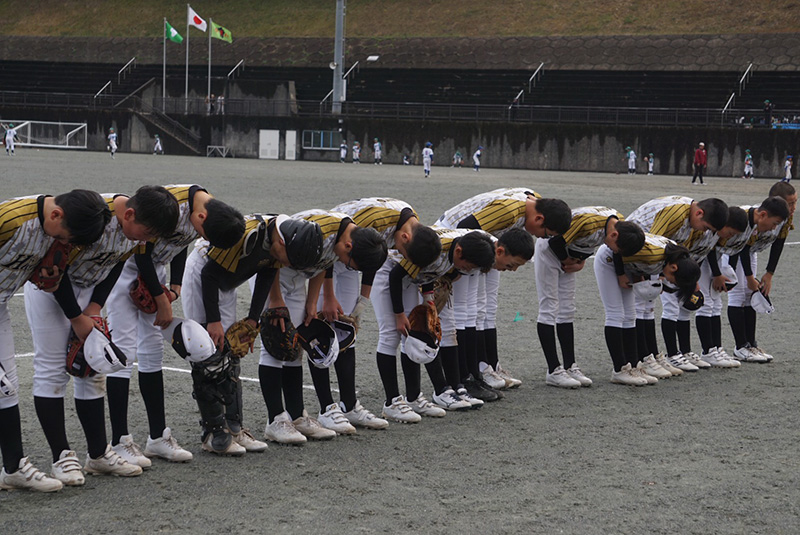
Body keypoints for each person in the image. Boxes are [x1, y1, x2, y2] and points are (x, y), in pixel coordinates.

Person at [26, 186, 178, 485]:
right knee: (52, 370)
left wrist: (94, 307)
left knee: (92, 368)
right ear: (129, 214)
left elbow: (116, 264)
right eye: (147, 233)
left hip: (87, 290)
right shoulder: (93, 216)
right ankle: (61, 457)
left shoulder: (133, 230)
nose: (147, 241)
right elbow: (55, 268)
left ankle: (98, 454)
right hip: (50, 290)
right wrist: (77, 317)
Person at [104, 186, 244, 467]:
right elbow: (141, 251)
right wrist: (160, 298)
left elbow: (180, 246)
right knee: (123, 352)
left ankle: (157, 437)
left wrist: (174, 288)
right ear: (201, 217)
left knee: (153, 353)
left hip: (155, 272)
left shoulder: (208, 212)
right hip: (127, 268)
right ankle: (120, 440)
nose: (203, 238)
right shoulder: (175, 206)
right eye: (205, 234)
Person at [182, 213, 323, 452]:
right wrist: (213, 321)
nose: (288, 265)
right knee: (208, 352)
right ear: (281, 243)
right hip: (204, 275)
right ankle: (214, 434)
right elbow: (209, 275)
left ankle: (234, 428)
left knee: (231, 352)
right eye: (289, 259)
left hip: (227, 281)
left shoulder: (280, 237)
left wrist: (252, 320)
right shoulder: (247, 236)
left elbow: (267, 274)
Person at [0, 190, 110, 492]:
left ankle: (13, 468)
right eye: (63, 237)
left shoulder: (54, 225)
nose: (63, 243)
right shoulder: (9, 221)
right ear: (56, 215)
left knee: (7, 387)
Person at [311, 198, 441, 432]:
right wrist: (328, 295)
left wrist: (362, 301)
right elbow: (330, 244)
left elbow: (372, 260)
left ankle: (349, 406)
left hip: (353, 260)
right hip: (329, 254)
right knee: (324, 330)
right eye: (403, 253)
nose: (401, 256)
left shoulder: (412, 226)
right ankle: (326, 408)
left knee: (347, 330)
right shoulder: (374, 221)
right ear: (405, 238)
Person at [257, 209, 387, 442]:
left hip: (296, 277)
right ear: (348, 246)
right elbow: (272, 254)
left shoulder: (345, 236)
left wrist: (311, 302)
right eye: (350, 264)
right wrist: (275, 298)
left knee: (295, 346)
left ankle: (297, 416)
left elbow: (323, 264)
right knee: (275, 343)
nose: (346, 265)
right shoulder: (319, 230)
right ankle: (275, 420)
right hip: (271, 274)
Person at [435, 188, 572, 399]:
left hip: (487, 246)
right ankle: (464, 377)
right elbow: (465, 229)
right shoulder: (509, 210)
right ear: (539, 218)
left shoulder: (533, 205)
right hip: (461, 248)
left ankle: (484, 368)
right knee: (465, 311)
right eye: (545, 233)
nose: (540, 237)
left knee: (485, 308)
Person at [373, 229, 496, 422]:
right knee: (390, 335)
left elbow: (429, 273)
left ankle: (413, 398)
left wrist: (428, 300)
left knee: (413, 334)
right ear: (459, 252)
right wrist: (399, 314)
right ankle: (392, 402)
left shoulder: (452, 254)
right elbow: (396, 275)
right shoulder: (439, 250)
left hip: (409, 277)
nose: (467, 270)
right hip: (388, 270)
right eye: (468, 266)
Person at [535, 208, 645, 388]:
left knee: (567, 310)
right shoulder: (588, 222)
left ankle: (570, 366)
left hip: (569, 253)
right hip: (550, 250)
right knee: (549, 308)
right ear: (614, 235)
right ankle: (553, 370)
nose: (614, 251)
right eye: (616, 248)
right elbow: (555, 242)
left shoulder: (619, 225)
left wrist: (580, 261)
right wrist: (568, 261)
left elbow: (587, 244)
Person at [627, 195, 729, 374]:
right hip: (635, 252)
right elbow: (652, 243)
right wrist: (653, 276)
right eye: (706, 227)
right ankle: (642, 359)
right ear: (699, 213)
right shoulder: (675, 213)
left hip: (653, 258)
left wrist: (689, 281)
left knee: (648, 308)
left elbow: (683, 253)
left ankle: (651, 356)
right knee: (640, 307)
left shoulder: (692, 222)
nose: (705, 232)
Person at [594, 235, 701, 386]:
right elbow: (619, 250)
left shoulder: (676, 255)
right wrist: (621, 274)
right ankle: (619, 370)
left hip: (628, 263)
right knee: (615, 313)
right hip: (611, 258)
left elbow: (642, 264)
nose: (671, 282)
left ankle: (634, 366)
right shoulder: (653, 255)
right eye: (674, 280)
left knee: (630, 315)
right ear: (674, 268)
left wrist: (648, 278)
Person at [698, 197, 788, 366]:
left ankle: (733, 346)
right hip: (710, 256)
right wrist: (742, 276)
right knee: (721, 300)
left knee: (720, 303)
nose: (775, 227)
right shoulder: (743, 219)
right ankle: (731, 347)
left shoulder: (754, 222)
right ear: (763, 213)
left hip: (725, 255)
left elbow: (738, 248)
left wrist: (731, 273)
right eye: (775, 223)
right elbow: (715, 246)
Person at [727, 181, 796, 363]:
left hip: (750, 252)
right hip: (733, 251)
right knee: (738, 295)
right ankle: (740, 346)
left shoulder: (784, 218)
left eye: (795, 202)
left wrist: (769, 273)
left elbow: (779, 243)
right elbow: (741, 247)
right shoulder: (756, 216)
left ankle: (751, 344)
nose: (794, 207)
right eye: (790, 203)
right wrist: (750, 277)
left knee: (750, 295)